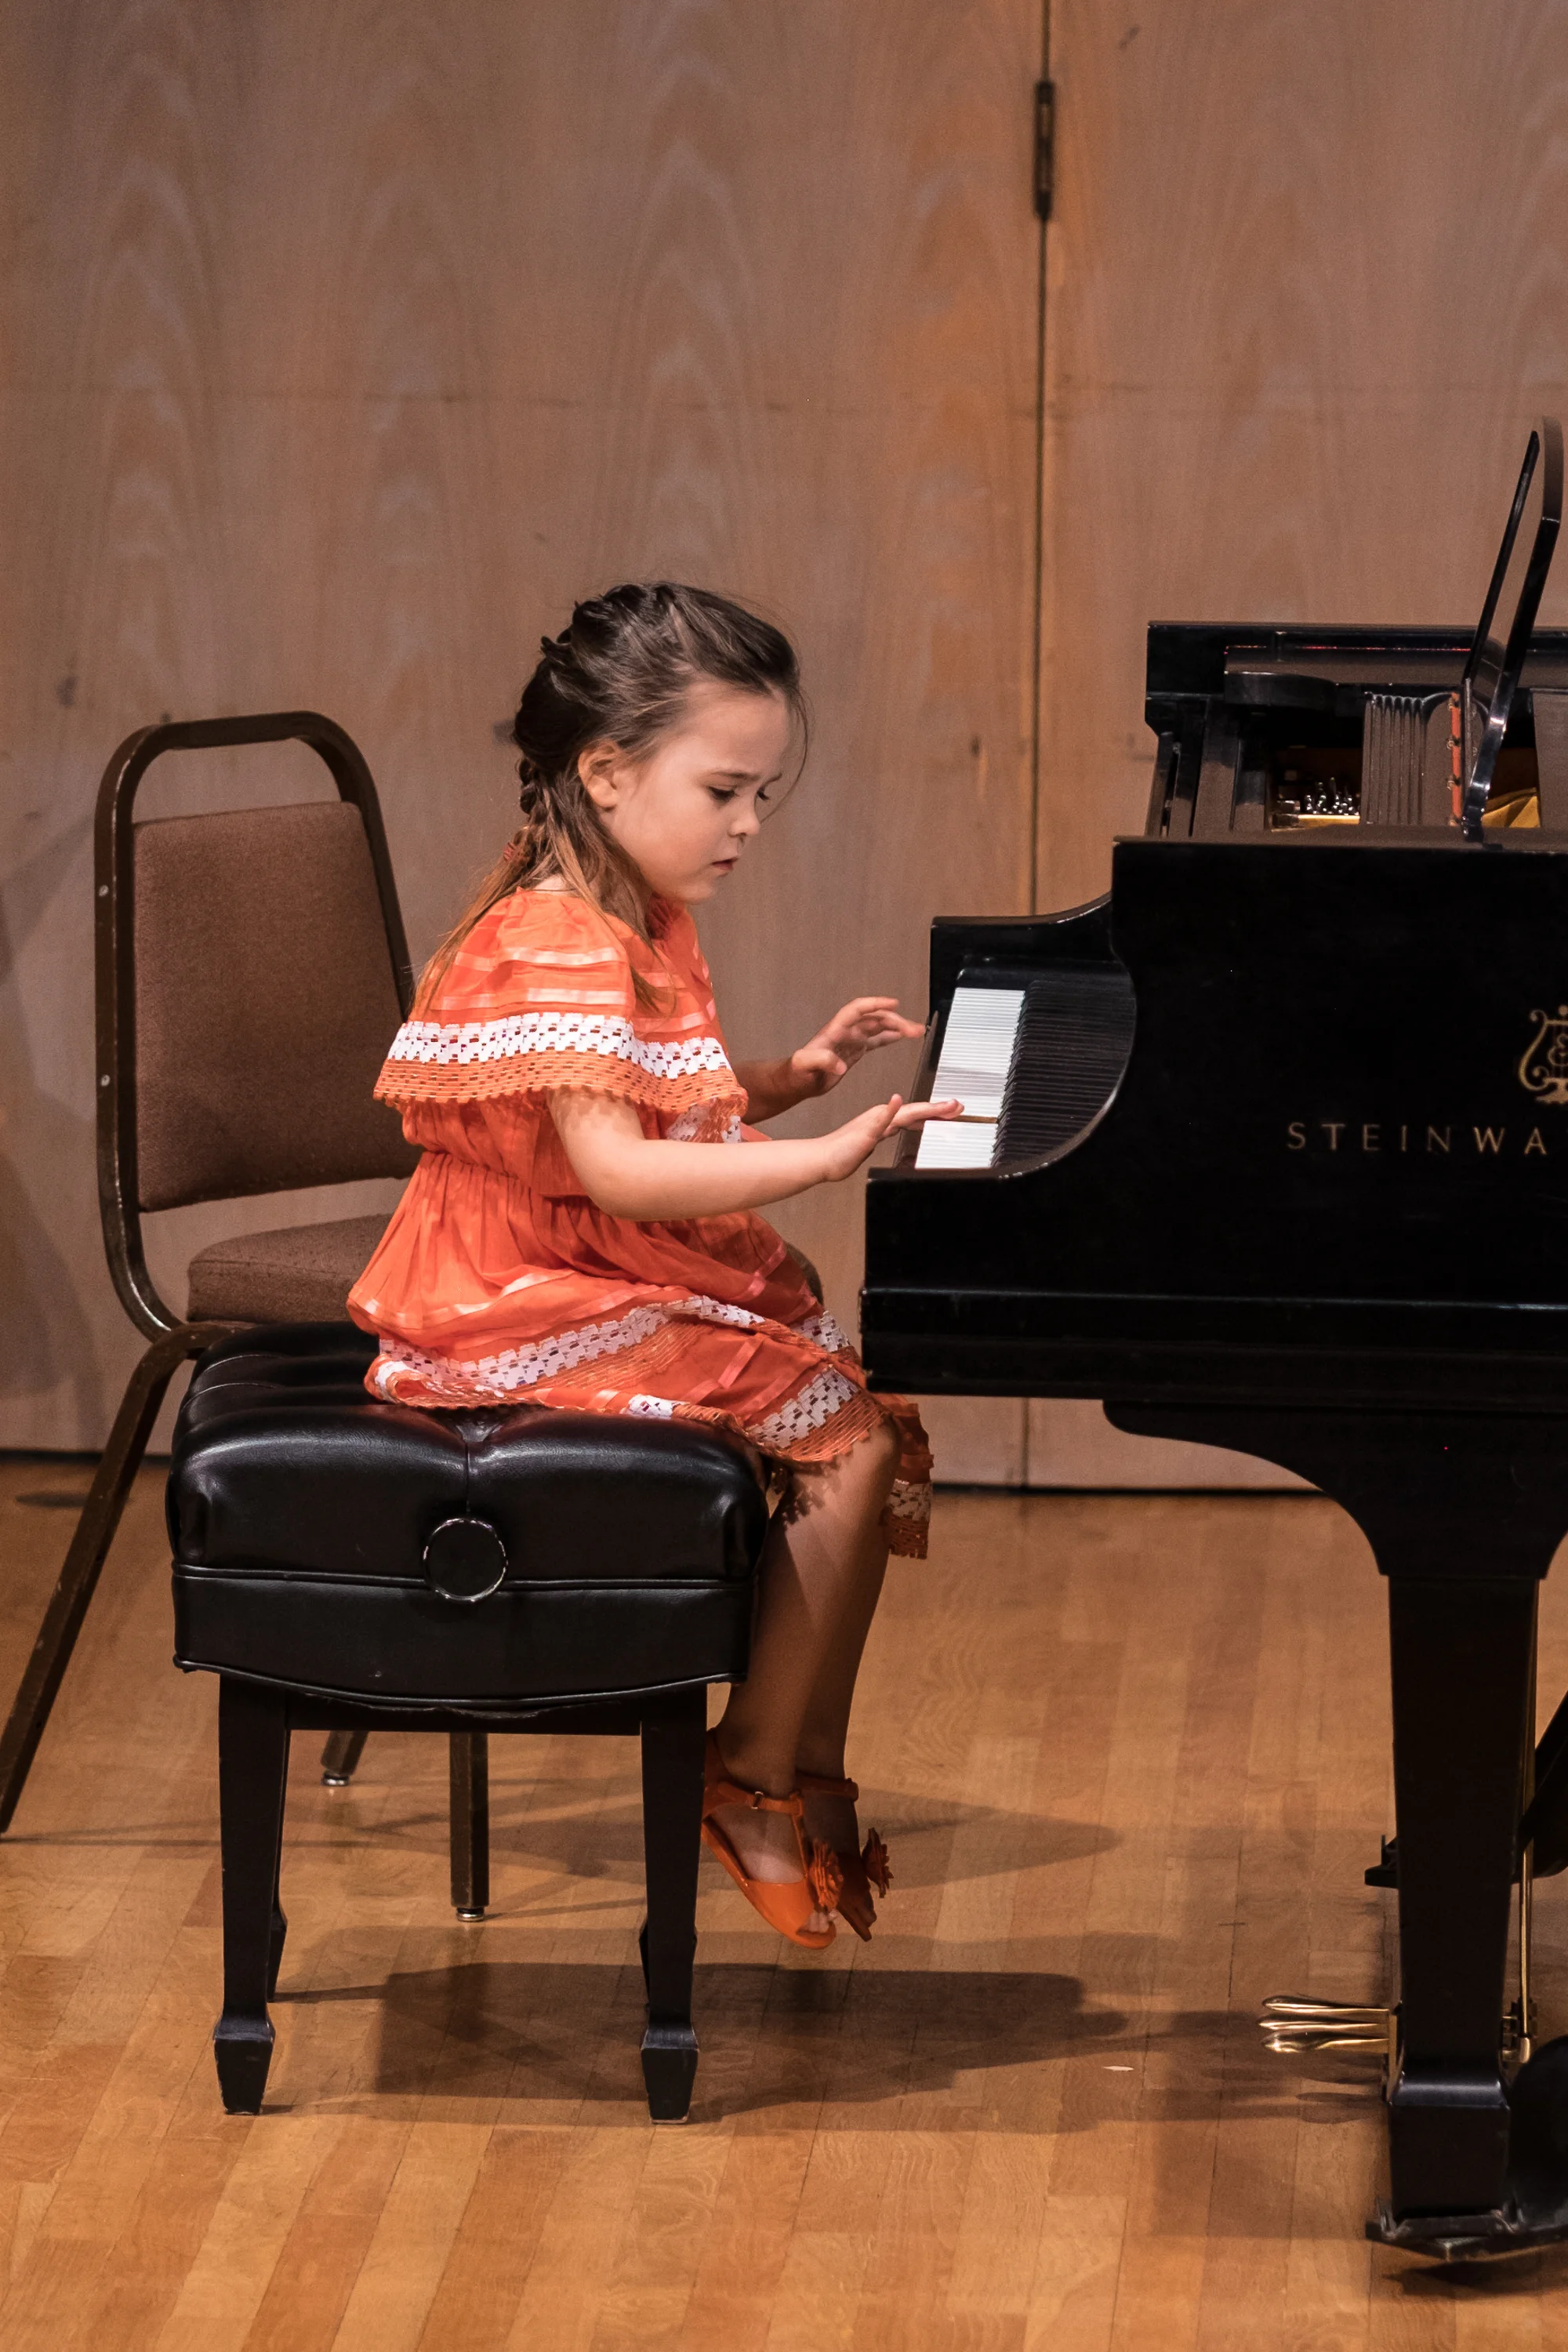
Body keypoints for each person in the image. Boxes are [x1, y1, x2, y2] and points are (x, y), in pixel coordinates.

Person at [348, 583, 958, 1947]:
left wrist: (788, 1078)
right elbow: (618, 1171)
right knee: (848, 1438)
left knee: (863, 1418)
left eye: (762, 795)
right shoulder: (561, 935)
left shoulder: (627, 905)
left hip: (573, 1244)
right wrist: (818, 1160)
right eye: (724, 790)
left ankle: (801, 1762)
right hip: (515, 1286)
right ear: (608, 771)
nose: (748, 824)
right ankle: (746, 1773)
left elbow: (644, 1101)